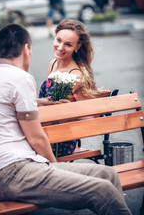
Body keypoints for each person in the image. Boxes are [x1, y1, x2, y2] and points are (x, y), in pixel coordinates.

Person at [0, 23, 132, 215]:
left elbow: (5, 102)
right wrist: (56, 168)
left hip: (25, 165)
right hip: (14, 172)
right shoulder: (20, 78)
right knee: (102, 190)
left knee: (108, 173)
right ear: (27, 49)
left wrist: (38, 101)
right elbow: (37, 138)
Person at [39, 18, 111, 157]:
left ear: (77, 46)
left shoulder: (75, 75)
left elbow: (90, 116)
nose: (60, 48)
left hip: (60, 141)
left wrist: (70, 110)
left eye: (68, 44)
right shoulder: (53, 63)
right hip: (44, 131)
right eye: (58, 40)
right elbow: (46, 99)